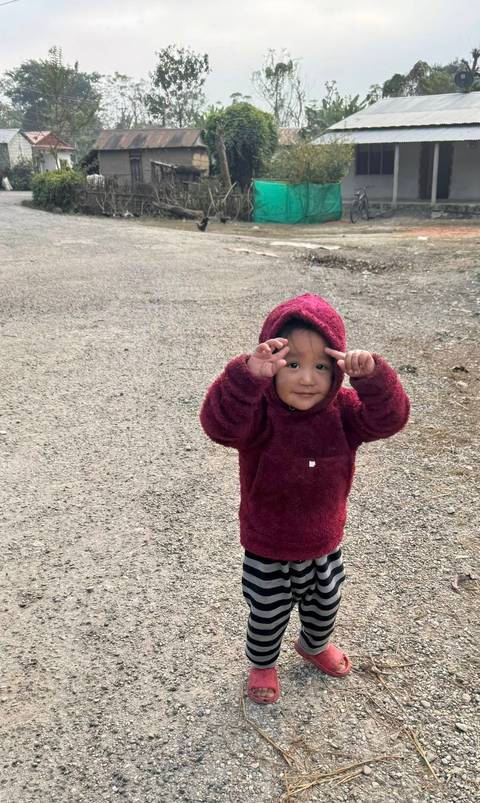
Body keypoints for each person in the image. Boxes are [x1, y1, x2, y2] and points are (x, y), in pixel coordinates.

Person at [200, 293, 410, 704]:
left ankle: (313, 645)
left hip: (323, 541)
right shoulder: (258, 412)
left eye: (321, 366)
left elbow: (391, 419)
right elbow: (218, 427)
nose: (307, 379)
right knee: (267, 612)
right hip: (268, 544)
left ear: (338, 370)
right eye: (292, 364)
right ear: (271, 367)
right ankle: (263, 663)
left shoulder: (345, 412)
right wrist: (246, 377)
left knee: (326, 602)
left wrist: (373, 379)